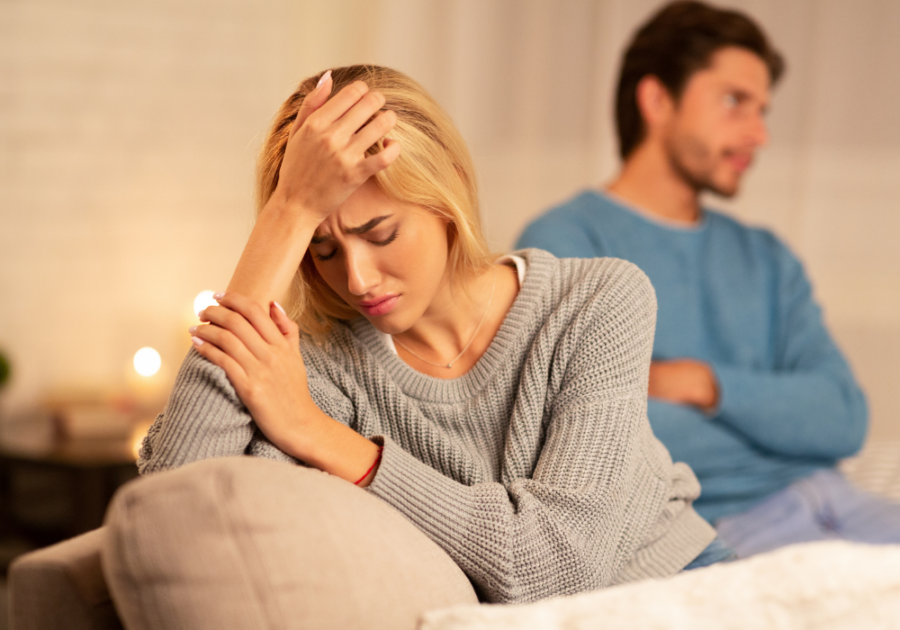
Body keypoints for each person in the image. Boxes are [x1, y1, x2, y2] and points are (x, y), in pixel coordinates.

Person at [137, 64, 726, 606]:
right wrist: (286, 213)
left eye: (382, 232)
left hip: (680, 590)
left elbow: (555, 565)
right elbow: (166, 520)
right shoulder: (321, 364)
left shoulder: (597, 301)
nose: (358, 279)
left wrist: (315, 433)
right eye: (321, 248)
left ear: (450, 194)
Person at [517, 1, 900, 558]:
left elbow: (842, 416)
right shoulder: (566, 241)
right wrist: (778, 419)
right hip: (718, 526)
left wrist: (700, 383)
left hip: (843, 501)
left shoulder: (766, 257)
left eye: (763, 109)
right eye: (734, 101)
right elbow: (593, 434)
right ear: (657, 100)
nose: (759, 134)